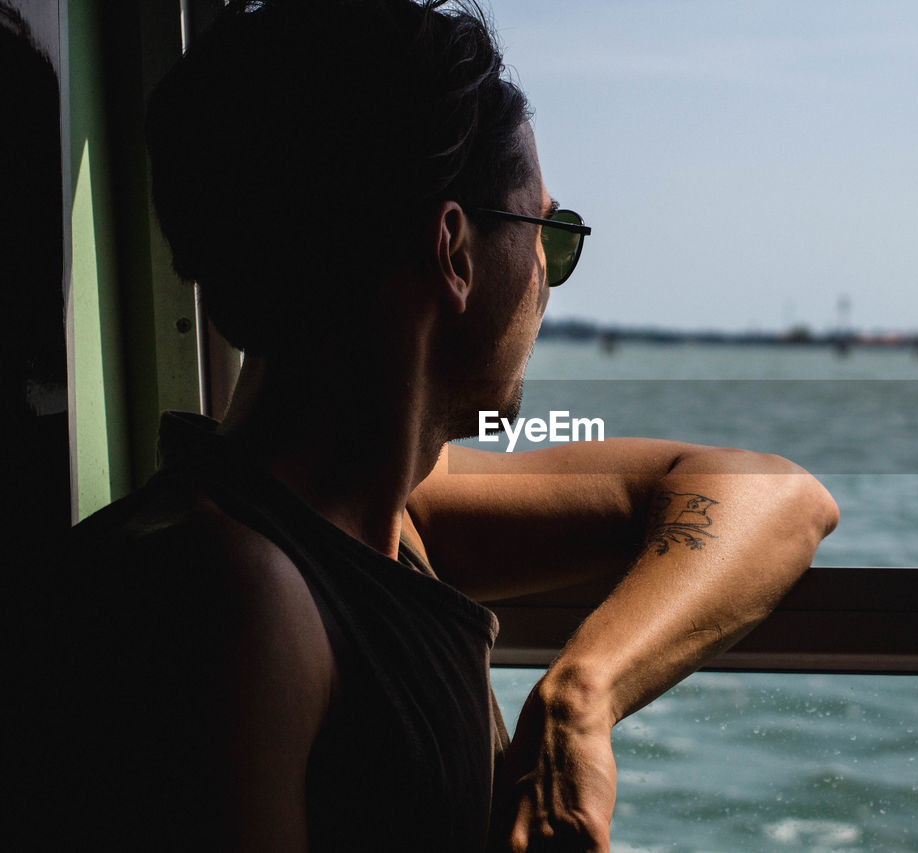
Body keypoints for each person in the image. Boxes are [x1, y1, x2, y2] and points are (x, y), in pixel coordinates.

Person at [26, 1, 838, 850]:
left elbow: (775, 493)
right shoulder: (235, 598)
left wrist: (582, 693)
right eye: (547, 236)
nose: (548, 281)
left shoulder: (387, 515)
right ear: (453, 252)